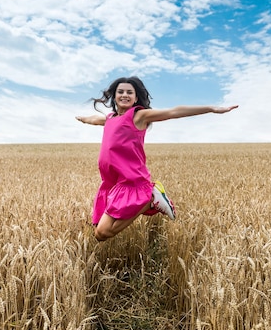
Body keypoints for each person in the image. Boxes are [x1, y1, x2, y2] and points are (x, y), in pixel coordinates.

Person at [76, 76, 238, 242]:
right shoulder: (110, 119)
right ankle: (150, 200)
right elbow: (95, 120)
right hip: (114, 182)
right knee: (98, 233)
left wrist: (211, 108)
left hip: (132, 181)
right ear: (114, 96)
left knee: (103, 233)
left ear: (136, 97)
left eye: (129, 92)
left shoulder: (138, 116)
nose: (125, 95)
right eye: (121, 91)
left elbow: (173, 112)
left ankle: (150, 201)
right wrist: (83, 119)